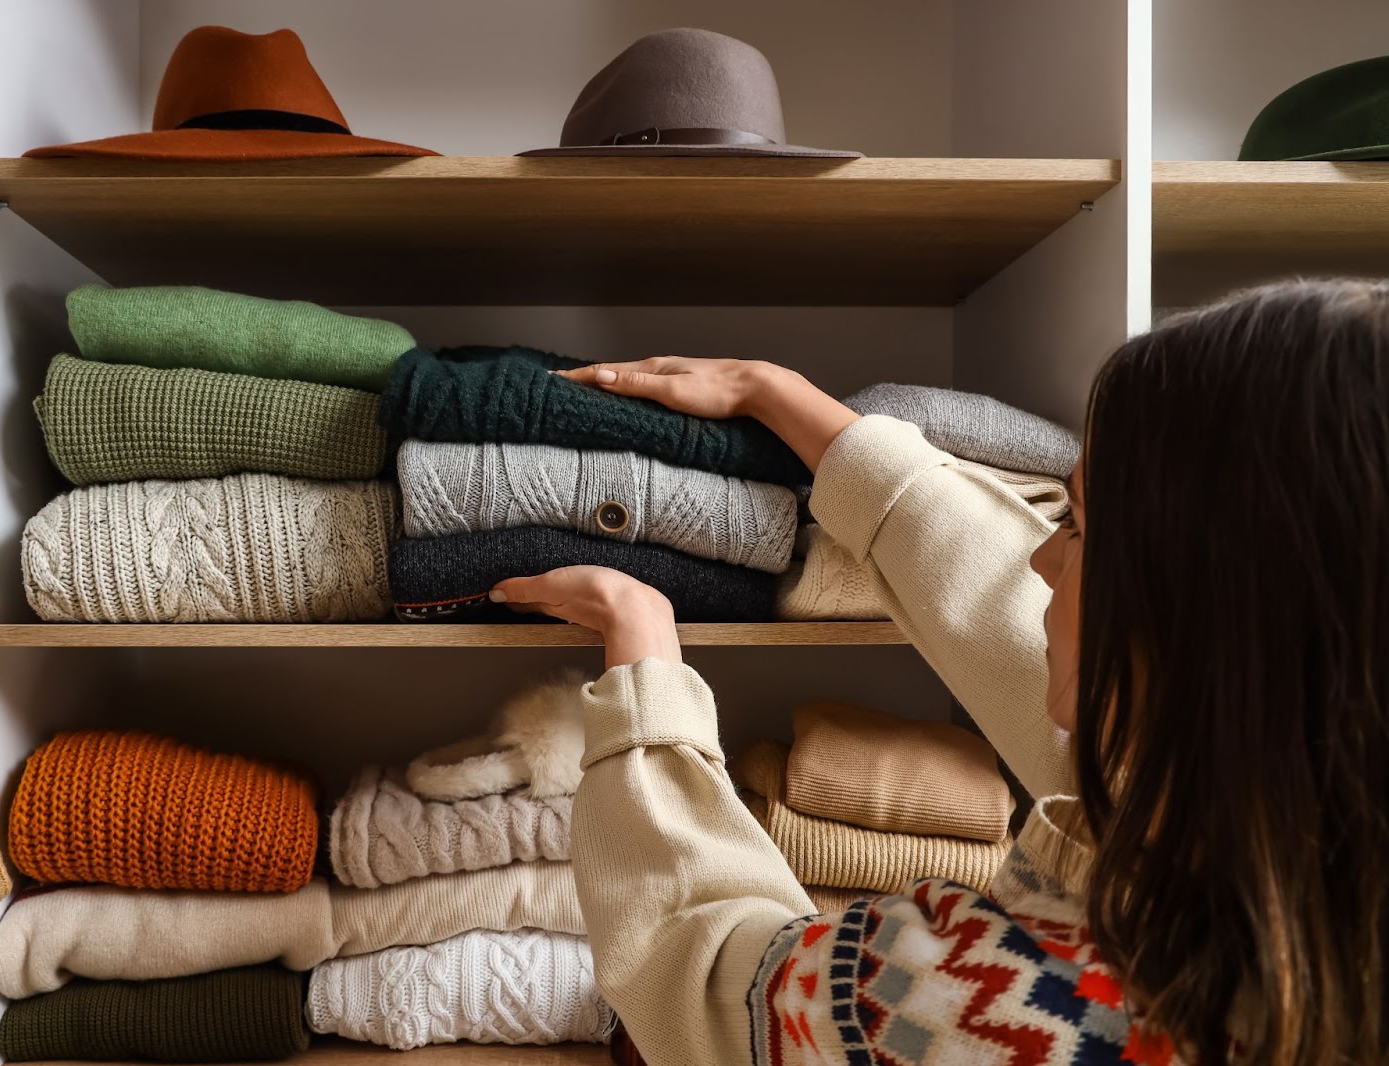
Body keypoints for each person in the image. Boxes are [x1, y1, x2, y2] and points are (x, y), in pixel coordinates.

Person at [490, 279, 1389, 1066]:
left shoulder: (998, 1005)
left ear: (1198, 618)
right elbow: (1030, 646)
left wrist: (644, 656)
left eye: (1076, 527)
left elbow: (716, 982)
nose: (1041, 562)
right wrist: (782, 400)